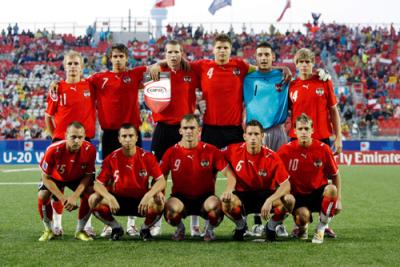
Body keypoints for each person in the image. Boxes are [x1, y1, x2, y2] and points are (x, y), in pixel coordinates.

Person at [88, 43, 148, 237]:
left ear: (127, 58)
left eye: (121, 56)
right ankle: (109, 223)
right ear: (110, 58)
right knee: (108, 178)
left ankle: (132, 222)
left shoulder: (136, 74)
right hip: (110, 133)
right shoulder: (99, 78)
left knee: (137, 177)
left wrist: (157, 66)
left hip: (132, 133)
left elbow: (160, 69)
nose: (118, 59)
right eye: (115, 56)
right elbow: (79, 83)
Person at [149, 40, 201, 236]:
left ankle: (194, 223)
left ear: (182, 53)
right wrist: (157, 64)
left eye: (177, 52)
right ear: (165, 54)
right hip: (162, 129)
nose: (173, 55)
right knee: (158, 176)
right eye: (169, 52)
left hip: (185, 129)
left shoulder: (192, 70)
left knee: (194, 175)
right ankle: (155, 222)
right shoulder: (158, 71)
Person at [289, 48, 342, 237]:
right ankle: (301, 222)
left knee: (326, 180)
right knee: (297, 180)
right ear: (295, 65)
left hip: (321, 137)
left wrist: (338, 136)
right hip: (298, 138)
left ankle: (325, 223)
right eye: (300, 62)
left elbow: (334, 111)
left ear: (313, 63)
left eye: (307, 62)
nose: (304, 65)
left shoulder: (324, 81)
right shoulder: (292, 85)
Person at [160, 114, 236, 241]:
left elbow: (230, 175)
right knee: (170, 211)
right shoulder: (171, 152)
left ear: (199, 130)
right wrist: (160, 193)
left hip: (205, 198)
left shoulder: (211, 150)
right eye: (185, 128)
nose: (189, 131)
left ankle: (209, 230)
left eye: (192, 128)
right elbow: (161, 178)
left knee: (216, 209)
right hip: (180, 198)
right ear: (180, 130)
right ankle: (180, 228)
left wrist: (228, 190)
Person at [45, 50, 96, 237]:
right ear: (64, 66)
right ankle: (57, 225)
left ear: (81, 67)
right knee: (58, 185)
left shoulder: (90, 85)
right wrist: (56, 138)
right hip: (61, 143)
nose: (73, 67)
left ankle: (86, 225)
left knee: (88, 185)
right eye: (69, 63)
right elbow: (48, 117)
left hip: (85, 142)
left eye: (76, 64)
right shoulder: (57, 88)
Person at [243, 42, 290, 236]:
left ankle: (279, 221)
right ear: (255, 58)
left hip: (279, 131)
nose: (263, 58)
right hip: (256, 132)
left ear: (273, 57)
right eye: (260, 55)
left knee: (282, 177)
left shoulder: (283, 76)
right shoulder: (247, 78)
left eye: (267, 55)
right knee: (256, 178)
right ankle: (256, 221)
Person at [88, 124, 166, 241]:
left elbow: (161, 181)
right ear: (119, 139)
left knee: (159, 199)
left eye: (131, 136)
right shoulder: (112, 158)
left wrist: (148, 195)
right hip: (118, 202)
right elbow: (98, 184)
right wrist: (109, 197)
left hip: (141, 202)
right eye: (124, 136)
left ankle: (145, 229)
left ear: (136, 138)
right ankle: (116, 227)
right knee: (93, 199)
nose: (128, 139)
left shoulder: (147, 157)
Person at [221, 120, 295, 241]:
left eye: (256, 134)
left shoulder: (272, 157)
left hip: (266, 194)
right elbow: (214, 155)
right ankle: (241, 226)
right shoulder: (233, 150)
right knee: (225, 201)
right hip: (243, 196)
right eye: (250, 134)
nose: (253, 138)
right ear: (244, 136)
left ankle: (271, 227)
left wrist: (270, 200)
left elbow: (286, 185)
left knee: (289, 200)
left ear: (262, 136)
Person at [277, 114, 342, 244]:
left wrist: (338, 199)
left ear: (312, 130)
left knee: (332, 189)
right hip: (298, 196)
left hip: (318, 193)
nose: (303, 132)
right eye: (300, 129)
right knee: (302, 217)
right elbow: (277, 176)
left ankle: (322, 227)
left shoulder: (323, 149)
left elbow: (335, 175)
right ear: (294, 131)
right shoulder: (285, 150)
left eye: (306, 129)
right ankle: (302, 227)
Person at [37, 122, 95, 241]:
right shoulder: (53, 150)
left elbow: (88, 176)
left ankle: (80, 230)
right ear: (66, 136)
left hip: (77, 177)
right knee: (43, 195)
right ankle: (48, 230)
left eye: (80, 137)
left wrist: (74, 196)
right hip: (55, 177)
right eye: (73, 137)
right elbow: (45, 177)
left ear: (84, 137)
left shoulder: (90, 150)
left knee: (92, 194)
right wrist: (63, 199)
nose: (77, 141)